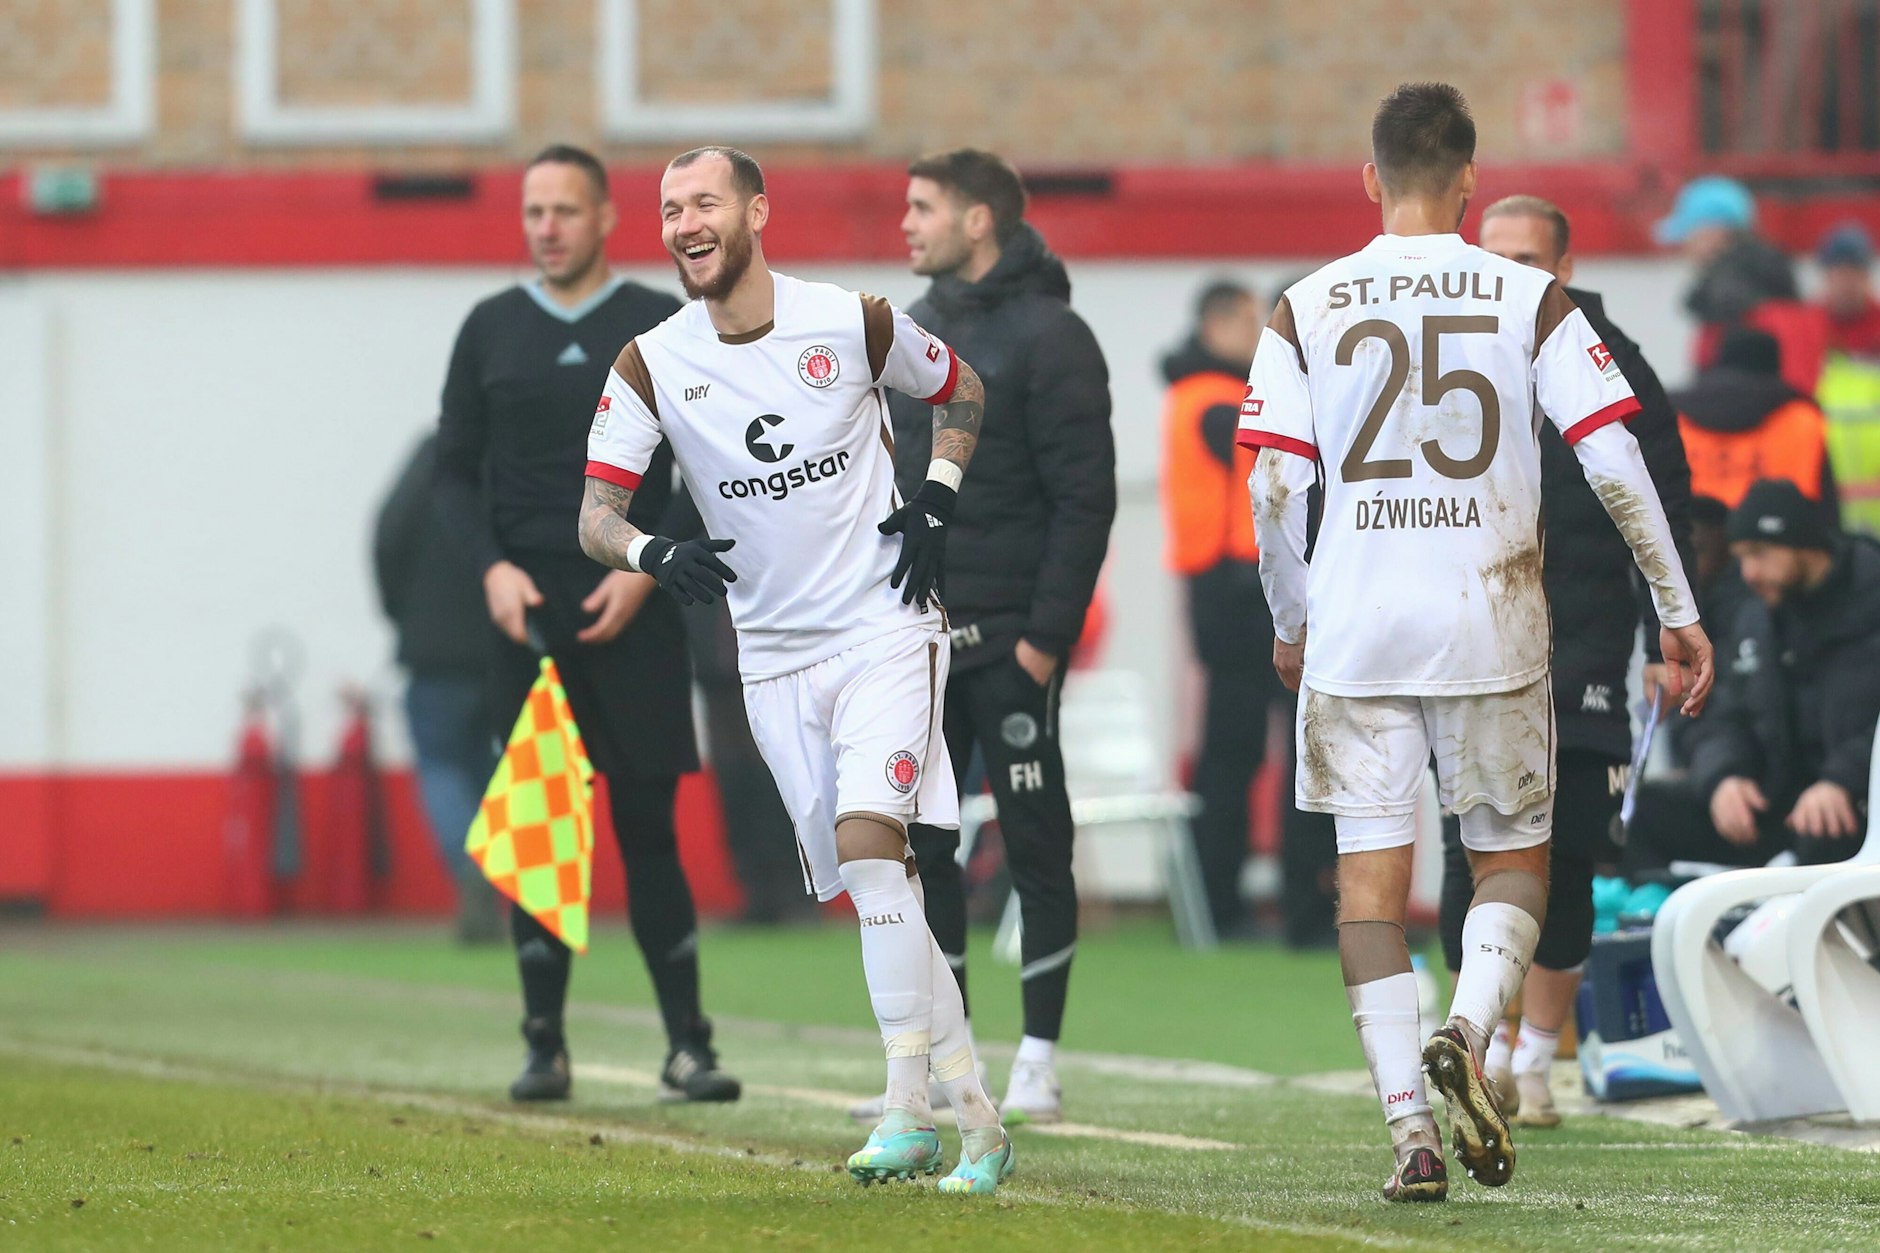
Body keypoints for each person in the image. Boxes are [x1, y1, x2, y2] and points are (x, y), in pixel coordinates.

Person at [1240, 83, 1713, 1203]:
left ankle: (1409, 1131)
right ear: (1467, 181)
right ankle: (1467, 1026)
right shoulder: (1530, 296)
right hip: (1488, 616)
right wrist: (1677, 604)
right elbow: (1612, 457)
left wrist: (1291, 620)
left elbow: (1272, 488)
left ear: (1370, 178)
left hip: (1356, 626)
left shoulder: (1302, 305)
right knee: (1512, 860)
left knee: (1370, 886)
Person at [580, 145, 1014, 1193]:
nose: (686, 223)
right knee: (878, 883)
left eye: (705, 203)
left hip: (884, 627)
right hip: (772, 661)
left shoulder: (849, 320)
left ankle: (914, 1110)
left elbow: (962, 390)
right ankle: (969, 1116)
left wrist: (938, 496)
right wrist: (652, 552)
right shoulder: (650, 363)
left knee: (871, 847)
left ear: (757, 212)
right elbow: (594, 514)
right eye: (669, 209)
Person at [434, 144, 740, 1106]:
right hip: (527, 618)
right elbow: (451, 474)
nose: (548, 227)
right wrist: (490, 569)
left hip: (633, 607)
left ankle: (688, 1045)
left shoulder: (661, 323)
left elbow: (710, 465)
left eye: (565, 210)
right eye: (534, 211)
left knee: (648, 827)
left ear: (606, 218)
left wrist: (648, 571)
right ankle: (544, 1045)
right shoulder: (489, 329)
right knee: (541, 830)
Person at [1436, 195, 1694, 1129]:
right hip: (1470, 637)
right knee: (1469, 848)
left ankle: (1537, 1063)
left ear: (1567, 266)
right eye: (1493, 255)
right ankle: (1483, 1045)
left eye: (1527, 259)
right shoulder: (1449, 352)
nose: (1507, 273)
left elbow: (1665, 497)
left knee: (1573, 850)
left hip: (1582, 633)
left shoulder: (1615, 359)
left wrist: (1669, 628)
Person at [872, 148, 1115, 1124]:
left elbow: (1084, 499)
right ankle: (950, 1063)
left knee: (1035, 846)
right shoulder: (912, 329)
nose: (905, 223)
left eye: (921, 206)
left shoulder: (1054, 336)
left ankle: (1040, 1061)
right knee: (924, 850)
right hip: (920, 640)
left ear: (978, 221)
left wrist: (1043, 640)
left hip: (1013, 642)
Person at [1160, 281, 1338, 944]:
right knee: (1289, 746)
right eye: (1247, 321)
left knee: (1231, 753)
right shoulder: (1217, 400)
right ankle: (1293, 904)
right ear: (1216, 324)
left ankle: (1219, 903)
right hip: (1242, 592)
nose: (1259, 333)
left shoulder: (1194, 394)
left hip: (1222, 590)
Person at [1631, 479, 1880, 871]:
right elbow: (1723, 711)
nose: (1748, 573)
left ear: (1802, 543)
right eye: (1740, 558)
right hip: (1779, 808)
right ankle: (1660, 908)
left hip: (1856, 810)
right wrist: (1723, 778)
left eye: (1759, 554)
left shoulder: (1869, 604)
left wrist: (1842, 781)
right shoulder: (1756, 619)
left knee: (1823, 833)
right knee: (1641, 811)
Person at [372, 431, 504, 943]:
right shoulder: (515, 458)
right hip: (504, 640)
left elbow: (388, 535)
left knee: (441, 764)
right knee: (493, 768)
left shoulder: (432, 456)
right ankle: (506, 875)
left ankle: (470, 872)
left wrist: (401, 613)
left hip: (432, 648)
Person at [1655, 174, 1826, 393]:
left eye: (1688, 235)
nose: (1684, 248)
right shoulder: (1772, 293)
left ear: (1715, 232)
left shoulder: (1731, 306)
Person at [1672, 326, 1840, 521]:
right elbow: (1826, 505)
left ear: (1719, 358)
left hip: (1691, 531)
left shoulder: (1673, 414)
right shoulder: (1802, 417)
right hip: (1777, 533)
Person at [1812, 223, 1880, 536]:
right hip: (1826, 489)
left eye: (1853, 272)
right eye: (1837, 272)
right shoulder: (1811, 328)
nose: (1845, 282)